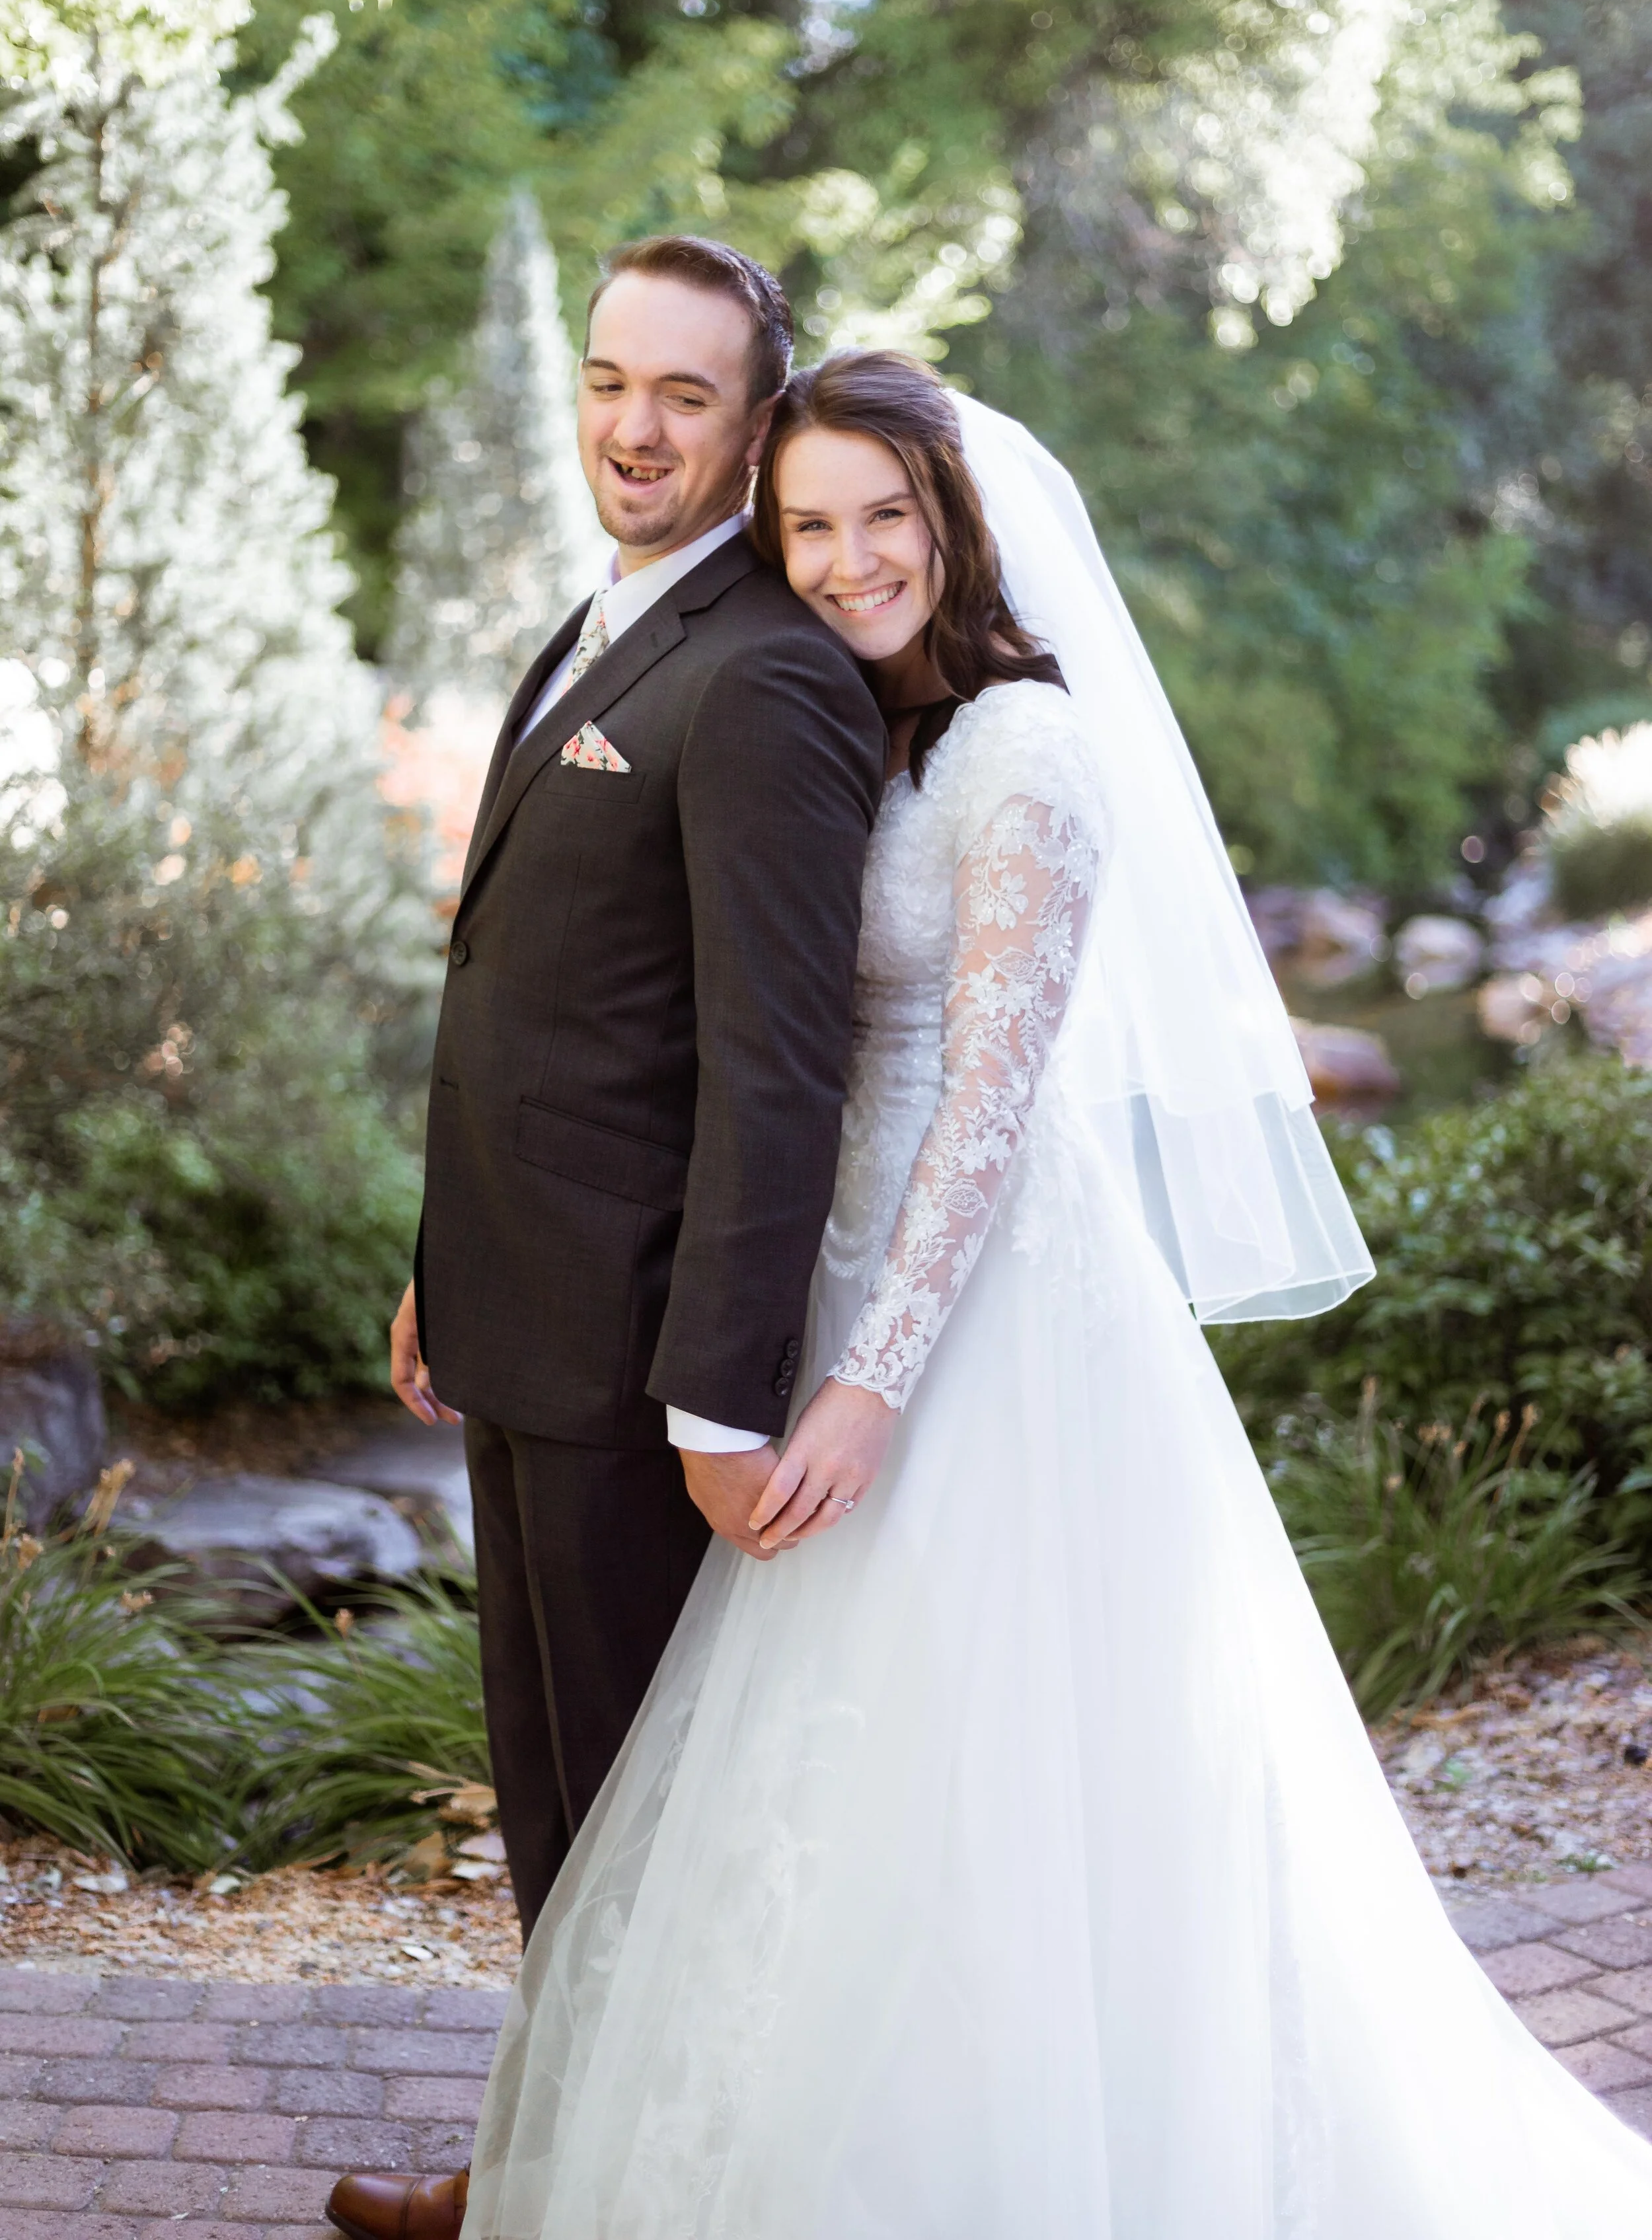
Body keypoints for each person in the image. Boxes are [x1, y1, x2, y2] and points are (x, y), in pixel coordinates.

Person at [455, 351, 1652, 2239]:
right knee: (823, 1783)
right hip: (823, 1271)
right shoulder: (851, 729)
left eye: (882, 519)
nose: (848, 561)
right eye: (810, 526)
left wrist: (868, 1382)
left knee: (1005, 1754)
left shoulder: (1026, 749)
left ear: (952, 524)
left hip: (989, 1310)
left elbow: (992, 1118)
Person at [325, 245, 885, 2240]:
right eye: (608, 382)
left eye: (686, 397)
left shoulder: (769, 678)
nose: (632, 429)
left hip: (649, 1370)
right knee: (567, 1816)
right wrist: (441, 1258)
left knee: (652, 1827)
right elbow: (536, 998)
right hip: (516, 1316)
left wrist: (720, 1396)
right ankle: (557, 2175)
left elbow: (774, 1070)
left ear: (760, 423)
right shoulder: (599, 625)